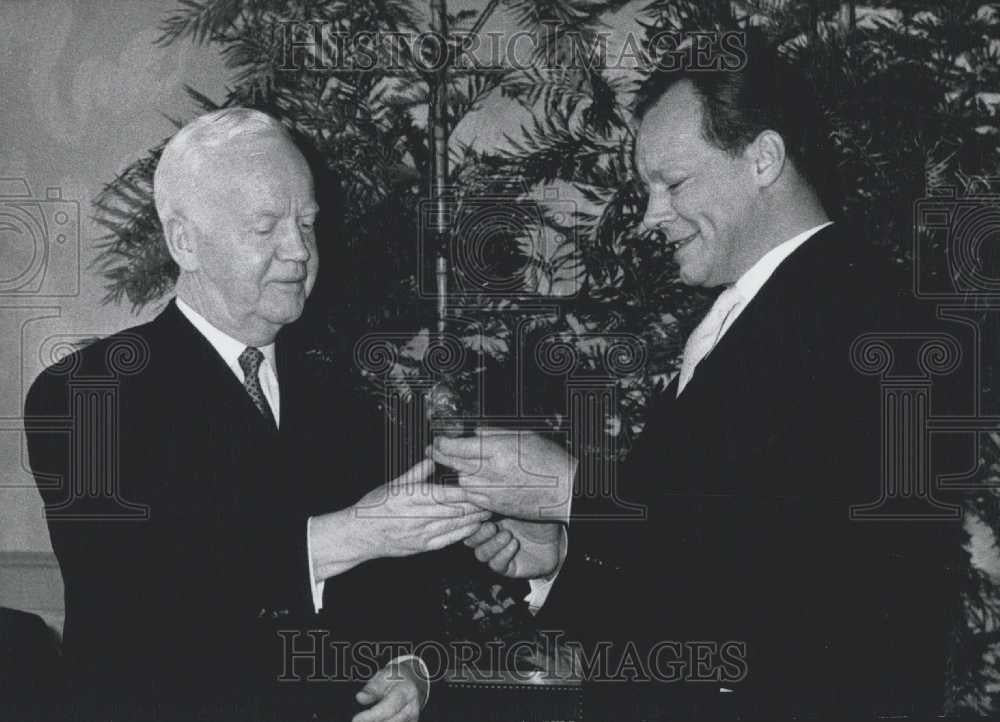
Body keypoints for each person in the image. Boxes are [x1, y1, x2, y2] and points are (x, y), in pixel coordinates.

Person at [433, 39, 965, 718]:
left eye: (673, 183)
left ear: (763, 159)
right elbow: (705, 563)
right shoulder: (756, 313)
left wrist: (581, 494)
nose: (651, 216)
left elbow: (809, 574)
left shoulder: (878, 319)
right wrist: (563, 554)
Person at [24, 108, 491, 722]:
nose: (299, 251)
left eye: (307, 223)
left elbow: (401, 590)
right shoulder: (88, 393)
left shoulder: (341, 396)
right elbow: (138, 587)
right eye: (266, 227)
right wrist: (354, 531)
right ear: (183, 240)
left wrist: (411, 665)